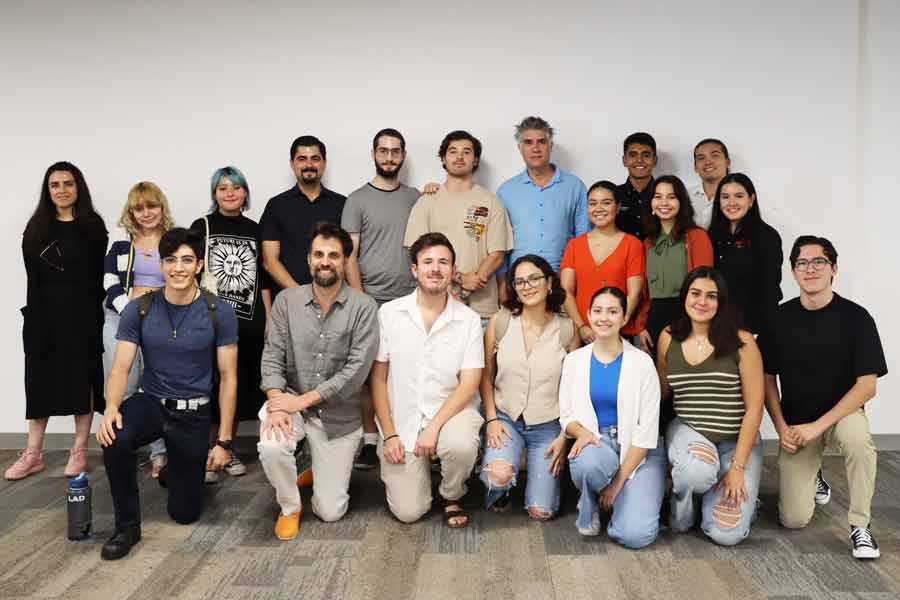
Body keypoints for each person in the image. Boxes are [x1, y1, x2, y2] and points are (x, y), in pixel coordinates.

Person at [97, 228, 238, 560]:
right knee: (114, 437)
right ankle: (127, 527)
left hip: (193, 413)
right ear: (161, 265)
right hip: (151, 403)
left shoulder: (218, 311)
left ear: (199, 265)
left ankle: (174, 472)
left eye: (187, 260)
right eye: (171, 260)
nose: (178, 268)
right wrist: (112, 407)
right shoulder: (139, 309)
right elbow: (120, 368)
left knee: (185, 513)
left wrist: (224, 441)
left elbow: (228, 377)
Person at [759, 236, 887, 559]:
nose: (810, 268)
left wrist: (819, 426)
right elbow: (767, 379)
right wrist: (781, 427)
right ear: (793, 271)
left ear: (834, 269)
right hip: (797, 423)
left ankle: (860, 525)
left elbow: (867, 386)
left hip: (842, 415)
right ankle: (814, 474)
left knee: (858, 440)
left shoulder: (857, 318)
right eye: (802, 263)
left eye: (819, 262)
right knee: (793, 520)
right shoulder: (777, 319)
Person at [257, 223, 378, 540]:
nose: (325, 262)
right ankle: (289, 507)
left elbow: (356, 372)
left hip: (338, 414)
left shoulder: (364, 307)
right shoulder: (286, 302)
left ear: (345, 262)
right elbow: (272, 356)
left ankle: (316, 470)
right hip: (290, 401)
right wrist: (277, 403)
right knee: (271, 444)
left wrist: (301, 401)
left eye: (333, 256)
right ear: (309, 259)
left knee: (330, 512)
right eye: (319, 255)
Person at [372, 233, 484, 528]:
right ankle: (421, 472)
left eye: (443, 262)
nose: (435, 269)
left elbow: (469, 383)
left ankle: (451, 493)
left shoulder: (469, 320)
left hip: (451, 414)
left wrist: (434, 427)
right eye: (428, 262)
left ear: (453, 270)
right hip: (402, 420)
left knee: (460, 446)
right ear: (414, 269)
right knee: (409, 512)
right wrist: (390, 434)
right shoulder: (389, 313)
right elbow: (378, 379)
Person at [7, 162, 108, 481]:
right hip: (43, 317)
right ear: (47, 190)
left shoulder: (93, 227)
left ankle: (79, 450)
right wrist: (34, 318)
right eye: (55, 184)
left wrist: (93, 317)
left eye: (68, 183)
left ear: (78, 188)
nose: (62, 190)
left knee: (82, 381)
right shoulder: (36, 228)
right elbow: (33, 278)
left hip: (82, 318)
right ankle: (33, 453)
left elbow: (96, 278)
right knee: (39, 383)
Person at [657, 267, 764, 546]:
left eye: (711, 296)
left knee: (726, 534)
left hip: (735, 443)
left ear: (721, 301)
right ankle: (683, 506)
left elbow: (754, 408)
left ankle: (739, 501)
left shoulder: (743, 341)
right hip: (689, 431)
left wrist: (737, 468)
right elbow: (661, 393)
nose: (702, 302)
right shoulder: (668, 337)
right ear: (685, 297)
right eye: (695, 293)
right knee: (695, 472)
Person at [559, 287, 665, 548]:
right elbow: (566, 416)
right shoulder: (574, 361)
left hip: (639, 449)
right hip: (597, 441)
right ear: (588, 315)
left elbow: (646, 433)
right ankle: (590, 504)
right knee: (587, 463)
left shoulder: (642, 363)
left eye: (612, 311)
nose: (604, 318)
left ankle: (621, 501)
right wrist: (582, 433)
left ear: (624, 318)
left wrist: (617, 484)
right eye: (597, 311)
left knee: (635, 535)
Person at [343, 128, 420, 470]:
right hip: (371, 299)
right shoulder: (356, 200)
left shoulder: (416, 197)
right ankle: (370, 439)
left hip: (411, 300)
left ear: (403, 155)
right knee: (370, 372)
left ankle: (410, 436)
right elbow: (349, 255)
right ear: (374, 154)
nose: (389, 157)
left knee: (409, 371)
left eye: (395, 151)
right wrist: (361, 301)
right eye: (383, 151)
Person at [479, 255, 580, 518]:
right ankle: (501, 485)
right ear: (514, 287)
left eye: (534, 278)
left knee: (541, 511)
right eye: (520, 281)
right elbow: (486, 376)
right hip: (506, 419)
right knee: (498, 477)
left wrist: (564, 436)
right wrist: (491, 418)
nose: (527, 286)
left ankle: (542, 486)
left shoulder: (567, 329)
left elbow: (575, 390)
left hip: (548, 425)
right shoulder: (500, 322)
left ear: (549, 283)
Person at [191, 166, 272, 483]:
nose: (230, 193)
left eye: (236, 187)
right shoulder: (202, 226)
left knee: (238, 384)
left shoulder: (254, 229)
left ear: (245, 193)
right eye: (223, 188)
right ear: (215, 193)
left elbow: (262, 277)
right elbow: (191, 272)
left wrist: (268, 316)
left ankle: (227, 446)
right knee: (210, 386)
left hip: (248, 323)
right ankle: (207, 452)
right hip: (210, 322)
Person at [102, 181, 174, 478]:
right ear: (130, 212)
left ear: (161, 207)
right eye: (139, 208)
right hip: (120, 319)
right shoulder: (120, 245)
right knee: (124, 386)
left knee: (155, 387)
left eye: (151, 206)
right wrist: (132, 311)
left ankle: (160, 453)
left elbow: (182, 280)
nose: (146, 213)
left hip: (161, 320)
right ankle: (122, 449)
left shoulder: (173, 242)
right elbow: (110, 284)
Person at [404, 130, 513, 323]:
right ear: (443, 158)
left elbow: (497, 254)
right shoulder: (426, 202)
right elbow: (417, 252)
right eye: (453, 151)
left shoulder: (491, 201)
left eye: (466, 152)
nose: (460, 157)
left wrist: (465, 291)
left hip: (481, 310)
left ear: (475, 160)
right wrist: (460, 279)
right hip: (435, 307)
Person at [496, 116, 590, 300]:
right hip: (519, 284)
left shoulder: (575, 187)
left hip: (562, 281)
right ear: (520, 147)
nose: (535, 148)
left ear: (550, 145)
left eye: (541, 141)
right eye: (528, 142)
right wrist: (502, 286)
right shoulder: (506, 191)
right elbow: (500, 244)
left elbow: (583, 240)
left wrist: (573, 282)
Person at [635, 175, 713, 354]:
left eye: (671, 197)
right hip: (654, 320)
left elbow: (705, 286)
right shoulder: (648, 243)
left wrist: (698, 324)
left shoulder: (696, 237)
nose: (664, 202)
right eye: (658, 197)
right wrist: (641, 326)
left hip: (687, 316)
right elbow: (645, 294)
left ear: (681, 202)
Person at [560, 180, 644, 344]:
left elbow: (634, 292)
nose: (598, 208)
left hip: (619, 331)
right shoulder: (574, 245)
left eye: (606, 203)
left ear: (618, 207)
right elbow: (566, 290)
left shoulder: (632, 244)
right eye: (593, 203)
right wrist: (581, 326)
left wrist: (618, 323)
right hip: (582, 333)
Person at [260, 135, 345, 294]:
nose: (309, 165)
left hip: (334, 299)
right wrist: (301, 296)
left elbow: (348, 258)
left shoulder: (342, 204)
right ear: (292, 164)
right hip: (289, 300)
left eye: (315, 159)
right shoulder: (276, 205)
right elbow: (270, 261)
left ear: (324, 163)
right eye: (302, 159)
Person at [708, 173, 783, 337]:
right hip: (717, 325)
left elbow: (770, 290)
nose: (731, 202)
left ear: (751, 200)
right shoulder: (712, 236)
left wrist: (758, 333)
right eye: (725, 197)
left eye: (739, 196)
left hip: (754, 327)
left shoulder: (766, 236)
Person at [614, 132, 658, 239]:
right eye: (633, 155)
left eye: (646, 155)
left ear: (655, 160)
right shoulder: (613, 195)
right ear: (624, 160)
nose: (639, 160)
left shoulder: (668, 196)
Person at [690, 138, 731, 229]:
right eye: (701, 158)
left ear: (727, 162)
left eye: (715, 155)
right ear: (695, 167)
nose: (708, 162)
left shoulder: (739, 196)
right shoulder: (684, 196)